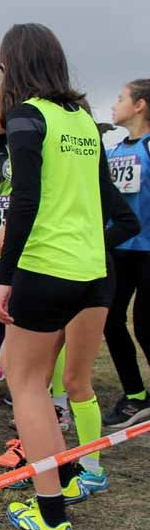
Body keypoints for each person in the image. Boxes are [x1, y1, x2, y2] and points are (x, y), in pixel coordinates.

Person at [0, 23, 126, 530]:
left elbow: (24, 201)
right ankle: (66, 475)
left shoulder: (27, 117)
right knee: (41, 380)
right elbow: (106, 199)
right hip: (92, 271)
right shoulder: (85, 122)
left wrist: (5, 279)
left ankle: (49, 512)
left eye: (3, 64)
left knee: (23, 382)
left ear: (14, 67)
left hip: (46, 267)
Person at [102, 78, 150, 427]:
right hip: (118, 248)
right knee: (110, 320)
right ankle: (134, 394)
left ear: (140, 105)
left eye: (120, 98)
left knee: (146, 326)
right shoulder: (115, 149)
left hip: (148, 249)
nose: (114, 105)